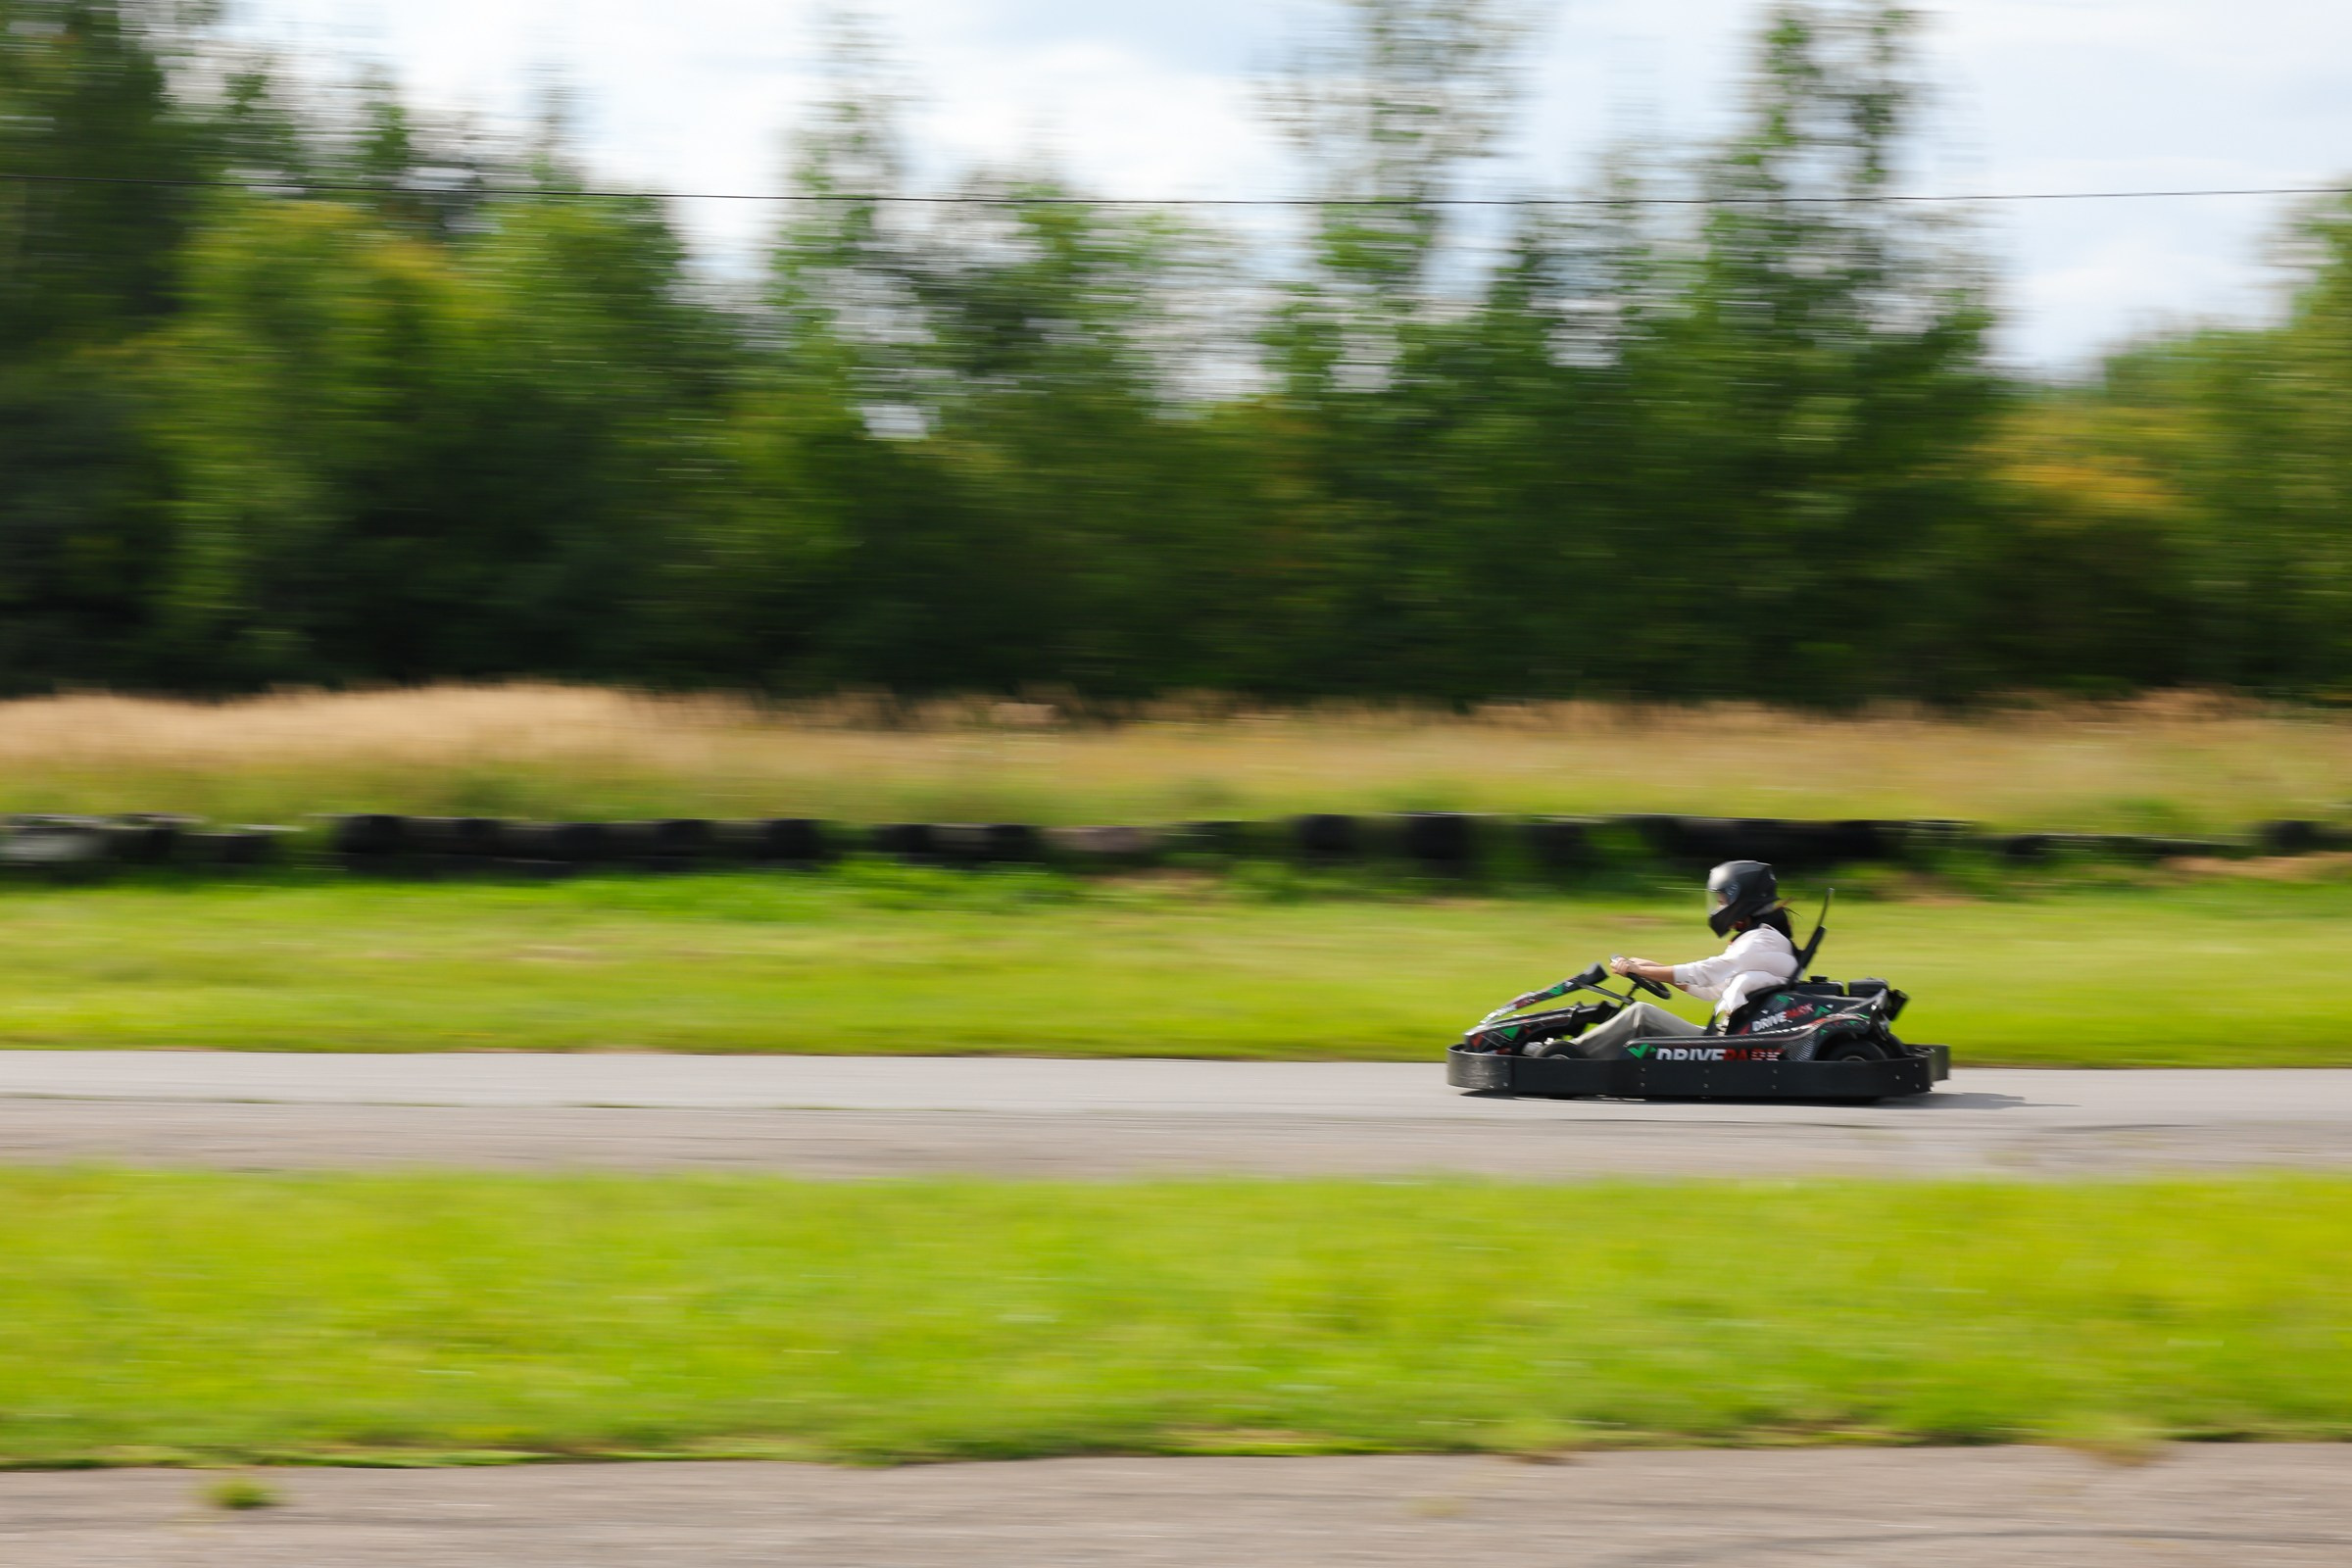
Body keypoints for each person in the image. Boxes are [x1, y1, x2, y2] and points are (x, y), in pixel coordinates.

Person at [1527, 860, 1800, 1059]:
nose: (1718, 907)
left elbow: (1705, 972)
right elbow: (1712, 990)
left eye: (1722, 900)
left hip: (1722, 1041)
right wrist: (1650, 969)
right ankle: (1570, 1052)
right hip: (1725, 1035)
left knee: (1640, 1016)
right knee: (1640, 1016)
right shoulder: (1762, 939)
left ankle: (1563, 1058)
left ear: (1742, 900)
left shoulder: (1761, 941)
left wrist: (1639, 968)